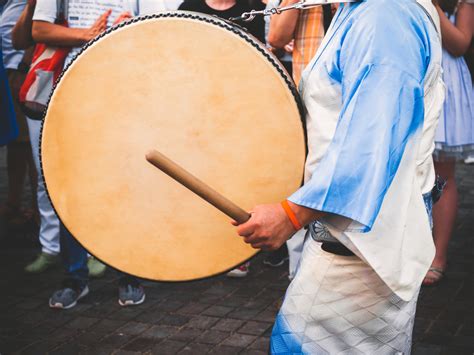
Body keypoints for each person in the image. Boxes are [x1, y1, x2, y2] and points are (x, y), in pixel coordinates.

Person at [232, 0, 445, 352]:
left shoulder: (384, 16)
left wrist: (291, 214)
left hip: (363, 250)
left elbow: (371, 145)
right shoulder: (366, 9)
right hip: (354, 239)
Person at [28, 0, 178, 309]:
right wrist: (88, 36)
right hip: (70, 98)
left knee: (127, 185)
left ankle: (129, 274)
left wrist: (126, 30)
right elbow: (38, 29)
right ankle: (74, 277)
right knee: (70, 189)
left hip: (124, 95)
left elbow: (160, 30)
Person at [179, 0, 266, 278]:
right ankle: (201, 244)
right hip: (197, 103)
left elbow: (259, 57)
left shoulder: (252, 6)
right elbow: (177, 53)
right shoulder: (188, 6)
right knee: (201, 172)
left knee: (233, 175)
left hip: (237, 104)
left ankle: (235, 251)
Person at [267, 0, 336, 278]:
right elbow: (276, 37)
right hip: (307, 100)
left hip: (350, 96)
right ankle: (300, 272)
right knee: (302, 180)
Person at [424, 0, 474, 285]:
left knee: (442, 173)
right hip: (415, 73)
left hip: (447, 80)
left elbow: (461, 43)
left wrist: (433, 7)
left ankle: (438, 254)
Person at [0, 0, 38, 232]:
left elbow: (38, 27)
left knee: (32, 145)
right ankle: (13, 202)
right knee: (16, 143)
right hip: (9, 68)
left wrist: (25, 67)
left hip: (21, 69)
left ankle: (38, 211)